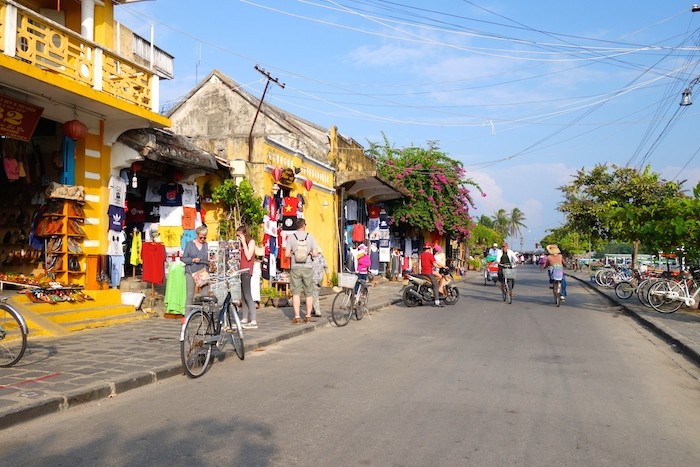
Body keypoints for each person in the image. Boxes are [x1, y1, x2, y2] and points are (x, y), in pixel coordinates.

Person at [285, 218, 319, 324]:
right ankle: (308, 316)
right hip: (308, 267)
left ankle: (297, 317)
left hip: (295, 267)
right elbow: (316, 253)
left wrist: (293, 254)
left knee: (296, 293)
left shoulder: (291, 238)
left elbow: (286, 254)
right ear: (304, 225)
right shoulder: (310, 237)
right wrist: (309, 254)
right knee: (309, 292)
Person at [182, 225, 210, 308]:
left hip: (203, 272)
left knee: (205, 295)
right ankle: (187, 316)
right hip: (191, 271)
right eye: (201, 237)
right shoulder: (190, 245)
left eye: (204, 238)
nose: (202, 240)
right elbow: (184, 258)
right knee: (190, 294)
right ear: (197, 235)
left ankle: (206, 316)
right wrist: (193, 260)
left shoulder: (206, 245)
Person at [236, 225, 258, 329]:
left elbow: (249, 256)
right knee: (243, 296)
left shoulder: (251, 242)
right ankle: (244, 318)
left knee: (248, 295)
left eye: (239, 236)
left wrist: (244, 242)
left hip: (246, 271)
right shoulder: (239, 244)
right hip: (239, 271)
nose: (238, 238)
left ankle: (253, 319)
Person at [311, 247, 329, 317]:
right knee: (315, 294)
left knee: (314, 294)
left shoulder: (312, 258)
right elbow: (326, 267)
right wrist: (328, 278)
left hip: (313, 278)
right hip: (320, 278)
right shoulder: (322, 257)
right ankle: (313, 308)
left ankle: (317, 311)